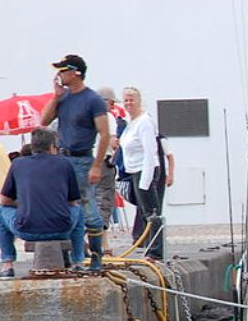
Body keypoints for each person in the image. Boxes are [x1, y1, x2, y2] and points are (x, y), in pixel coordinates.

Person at [40, 54, 109, 270]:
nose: (59, 75)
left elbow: (104, 134)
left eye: (63, 71)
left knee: (87, 208)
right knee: (64, 208)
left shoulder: (93, 100)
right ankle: (72, 256)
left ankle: (96, 256)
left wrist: (96, 165)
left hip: (82, 159)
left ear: (75, 73)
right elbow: (44, 120)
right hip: (62, 158)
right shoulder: (64, 97)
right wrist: (56, 96)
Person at [0, 127, 86, 280]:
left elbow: (3, 201)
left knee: (0, 212)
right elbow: (72, 201)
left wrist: (24, 204)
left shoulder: (18, 164)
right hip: (62, 228)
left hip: (26, 230)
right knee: (79, 211)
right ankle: (78, 261)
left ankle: (7, 264)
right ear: (52, 146)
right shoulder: (65, 164)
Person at [120, 86, 165, 261]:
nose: (128, 103)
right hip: (133, 170)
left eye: (131, 99)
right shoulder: (131, 123)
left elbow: (150, 151)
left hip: (144, 169)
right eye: (126, 100)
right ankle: (149, 245)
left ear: (139, 101)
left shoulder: (144, 122)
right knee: (144, 211)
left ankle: (156, 251)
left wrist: (146, 180)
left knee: (151, 212)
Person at [96, 87, 126, 232]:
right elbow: (112, 142)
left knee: (89, 200)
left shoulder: (86, 116)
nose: (113, 107)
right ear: (105, 101)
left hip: (86, 162)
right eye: (112, 103)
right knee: (105, 199)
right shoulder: (108, 117)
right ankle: (99, 236)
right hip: (103, 163)